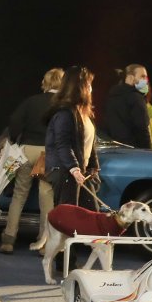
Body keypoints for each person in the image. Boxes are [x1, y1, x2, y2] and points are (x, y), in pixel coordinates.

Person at [0, 67, 62, 253]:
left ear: (45, 82)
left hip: (27, 149)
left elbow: (14, 121)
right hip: (49, 153)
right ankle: (44, 244)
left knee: (19, 195)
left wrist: (16, 139)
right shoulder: (63, 105)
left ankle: (8, 239)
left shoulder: (31, 101)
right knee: (46, 197)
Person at [45, 66, 100, 210]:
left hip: (80, 172)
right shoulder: (65, 113)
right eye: (89, 84)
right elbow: (63, 144)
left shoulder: (83, 113)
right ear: (80, 87)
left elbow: (89, 144)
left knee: (90, 212)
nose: (91, 89)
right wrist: (74, 168)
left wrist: (93, 167)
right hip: (66, 172)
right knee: (69, 215)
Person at [100, 64, 152, 148]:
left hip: (114, 148)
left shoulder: (111, 97)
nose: (145, 80)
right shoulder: (136, 98)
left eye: (146, 77)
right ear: (130, 78)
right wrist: (148, 151)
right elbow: (142, 129)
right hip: (134, 150)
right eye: (142, 76)